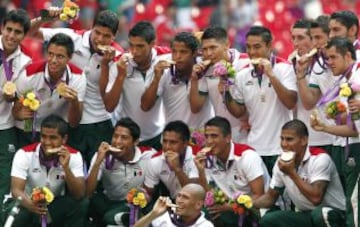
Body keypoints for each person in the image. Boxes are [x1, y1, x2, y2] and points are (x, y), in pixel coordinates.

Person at [30, 9, 124, 166]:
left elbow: (110, 105)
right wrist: (44, 18)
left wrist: (107, 66)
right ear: (90, 28)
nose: (100, 39)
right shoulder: (72, 38)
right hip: (69, 122)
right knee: (68, 175)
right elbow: (31, 32)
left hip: (100, 123)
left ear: (114, 36)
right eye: (97, 33)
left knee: (100, 177)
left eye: (106, 36)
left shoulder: (118, 57)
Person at [225, 25, 297, 175]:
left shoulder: (285, 68)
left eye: (257, 47)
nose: (252, 52)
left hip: (281, 147)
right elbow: (239, 112)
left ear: (269, 46)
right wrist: (225, 92)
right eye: (248, 47)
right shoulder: (242, 75)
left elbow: (291, 103)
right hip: (254, 147)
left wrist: (271, 75)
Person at [253, 119, 345, 227]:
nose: (283, 144)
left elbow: (316, 198)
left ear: (304, 140)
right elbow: (270, 197)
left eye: (289, 139)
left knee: (320, 214)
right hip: (305, 215)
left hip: (333, 214)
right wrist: (248, 203)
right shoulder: (281, 162)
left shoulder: (320, 159)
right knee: (268, 219)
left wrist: (292, 173)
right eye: (282, 139)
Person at [310, 37, 360, 227]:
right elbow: (352, 130)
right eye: (326, 58)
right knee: (353, 204)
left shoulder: (358, 76)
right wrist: (324, 127)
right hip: (354, 146)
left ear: (347, 55)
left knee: (355, 204)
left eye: (332, 57)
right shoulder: (345, 82)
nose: (328, 62)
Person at [7, 114, 87, 227]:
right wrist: (31, 205)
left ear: (64, 139)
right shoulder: (24, 154)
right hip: (27, 203)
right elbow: (16, 191)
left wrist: (66, 168)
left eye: (53, 138)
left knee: (81, 204)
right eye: (43, 136)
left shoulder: (74, 155)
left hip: (53, 204)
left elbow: (79, 194)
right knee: (16, 211)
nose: (47, 142)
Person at [13, 33, 86, 148]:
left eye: (60, 56)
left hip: (55, 133)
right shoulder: (28, 74)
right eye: (50, 54)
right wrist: (19, 114)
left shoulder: (77, 77)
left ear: (70, 57)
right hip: (27, 129)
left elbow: (74, 122)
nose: (53, 60)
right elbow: (15, 110)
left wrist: (74, 102)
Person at [194, 116, 269, 226]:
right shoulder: (208, 159)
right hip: (229, 208)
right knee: (200, 214)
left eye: (214, 136)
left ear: (228, 137)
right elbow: (209, 195)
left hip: (255, 210)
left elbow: (259, 195)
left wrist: (230, 207)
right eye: (207, 136)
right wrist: (201, 171)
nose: (209, 141)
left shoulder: (247, 157)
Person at [86, 117, 156, 226]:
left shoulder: (148, 155)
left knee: (112, 218)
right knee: (90, 205)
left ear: (136, 142)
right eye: (115, 136)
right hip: (110, 201)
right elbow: (88, 192)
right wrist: (97, 163)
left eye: (124, 138)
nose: (117, 142)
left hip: (135, 202)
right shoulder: (102, 155)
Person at [110, 21, 169, 151]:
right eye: (131, 45)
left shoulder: (165, 58)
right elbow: (109, 106)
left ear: (152, 44)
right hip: (127, 138)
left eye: (140, 46)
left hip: (156, 136)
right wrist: (120, 76)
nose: (135, 51)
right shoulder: (120, 63)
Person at [141, 31, 214, 130]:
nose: (177, 56)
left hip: (202, 137)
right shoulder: (163, 68)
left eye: (183, 52)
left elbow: (196, 108)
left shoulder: (205, 67)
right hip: (172, 138)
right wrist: (156, 78)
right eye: (174, 51)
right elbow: (145, 106)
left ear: (194, 53)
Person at [189, 26, 249, 144]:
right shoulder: (204, 68)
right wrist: (194, 80)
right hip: (221, 136)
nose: (209, 53)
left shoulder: (246, 63)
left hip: (249, 132)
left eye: (213, 48)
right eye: (205, 49)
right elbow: (196, 108)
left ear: (227, 44)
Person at [0, 8, 32, 224]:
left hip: (6, 128)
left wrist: (18, 107)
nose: (11, 35)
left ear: (24, 35)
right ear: (2, 28)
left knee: (4, 186)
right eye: (8, 29)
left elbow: (25, 103)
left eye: (17, 32)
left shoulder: (26, 62)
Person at [290, 19, 334, 150]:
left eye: (301, 38)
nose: (296, 43)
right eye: (293, 38)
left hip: (330, 135)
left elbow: (309, 103)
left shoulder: (329, 62)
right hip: (306, 136)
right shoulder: (290, 62)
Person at [143, 121, 199, 200]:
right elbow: (148, 191)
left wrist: (177, 169)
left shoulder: (197, 157)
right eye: (165, 141)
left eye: (173, 142)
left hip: (196, 203)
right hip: (173, 202)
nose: (167, 147)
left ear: (185, 143)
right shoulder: (155, 160)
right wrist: (141, 197)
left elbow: (193, 193)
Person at [134, 183, 214, 227]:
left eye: (185, 197)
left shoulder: (206, 225)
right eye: (179, 196)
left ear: (198, 205)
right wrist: (153, 214)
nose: (179, 201)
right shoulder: (165, 217)